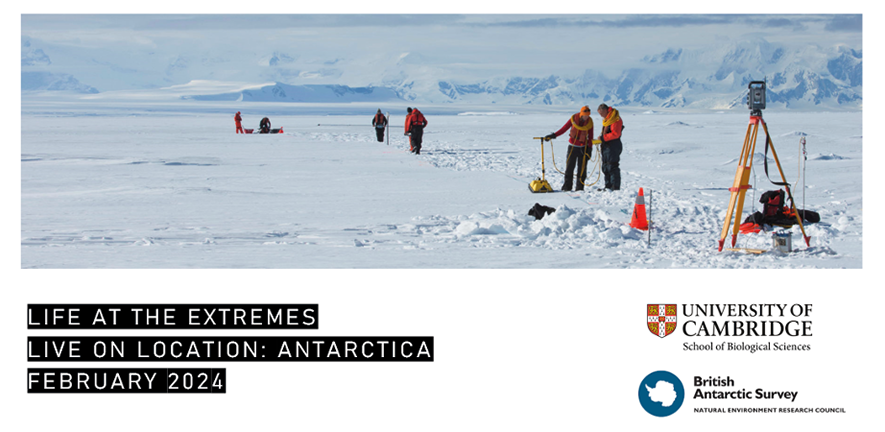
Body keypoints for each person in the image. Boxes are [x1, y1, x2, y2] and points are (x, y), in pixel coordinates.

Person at [544, 105, 594, 191]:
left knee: (582, 170)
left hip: (583, 148)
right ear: (581, 114)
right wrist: (554, 135)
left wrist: (590, 148)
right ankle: (567, 187)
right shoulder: (573, 119)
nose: (586, 117)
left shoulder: (590, 123)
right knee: (569, 168)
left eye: (588, 115)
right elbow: (564, 128)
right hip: (573, 147)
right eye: (585, 115)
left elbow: (591, 136)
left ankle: (580, 188)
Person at [596, 104, 624, 191]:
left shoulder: (615, 118)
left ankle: (614, 187)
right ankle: (608, 186)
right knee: (605, 166)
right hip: (606, 145)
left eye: (601, 113)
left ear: (605, 110)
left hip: (613, 146)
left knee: (612, 166)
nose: (600, 116)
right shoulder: (607, 119)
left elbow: (616, 134)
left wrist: (603, 138)